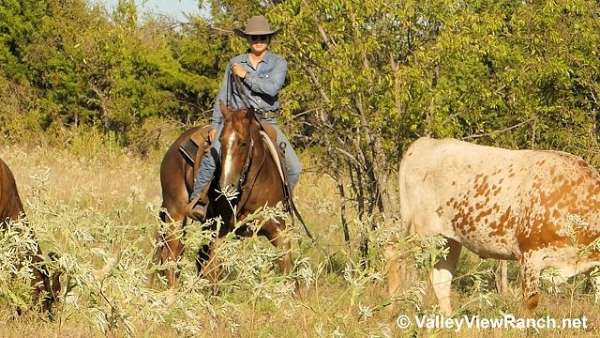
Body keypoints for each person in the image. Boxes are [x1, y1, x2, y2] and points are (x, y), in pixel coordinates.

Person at [188, 15, 301, 221]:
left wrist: (245, 76)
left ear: (269, 39)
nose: (259, 41)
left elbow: (272, 88)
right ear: (248, 39)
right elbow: (223, 94)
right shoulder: (234, 62)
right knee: (214, 153)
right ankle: (199, 200)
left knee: (294, 167)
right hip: (237, 119)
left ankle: (282, 207)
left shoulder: (278, 63)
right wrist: (215, 123)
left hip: (266, 120)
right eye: (254, 37)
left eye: (263, 37)